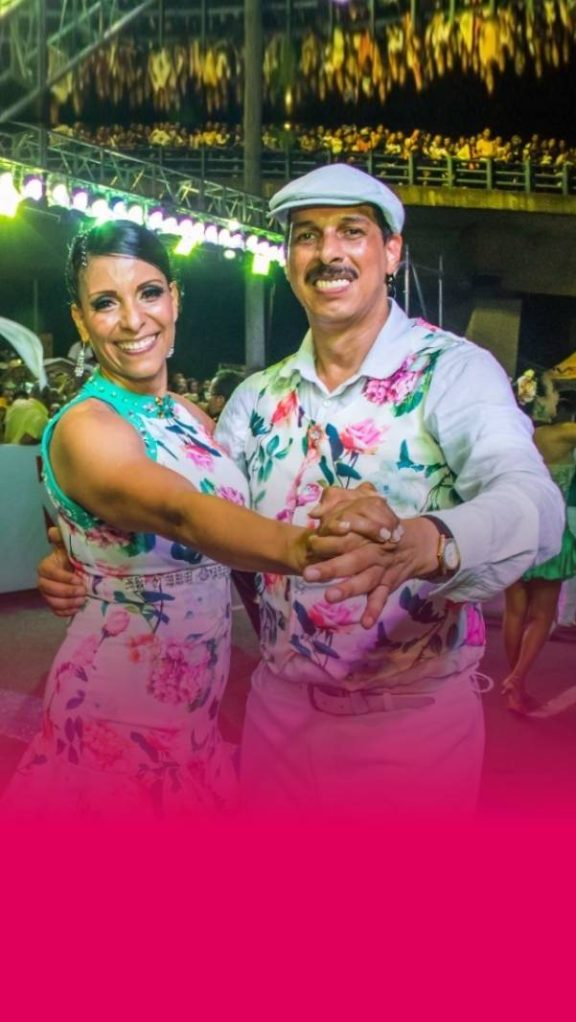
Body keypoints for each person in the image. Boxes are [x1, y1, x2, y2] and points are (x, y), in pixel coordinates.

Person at [38, 166, 564, 816]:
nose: (328, 252)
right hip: (274, 720)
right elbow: (199, 518)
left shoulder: (452, 373)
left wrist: (428, 543)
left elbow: (535, 505)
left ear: (392, 251)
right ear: (288, 261)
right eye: (307, 235)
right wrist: (84, 555)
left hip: (410, 726)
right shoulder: (254, 401)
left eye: (351, 231)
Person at [10, 219, 386, 817]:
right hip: (114, 715)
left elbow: (231, 521)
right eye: (105, 303)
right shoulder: (87, 426)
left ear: (175, 298)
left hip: (195, 719)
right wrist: (305, 549)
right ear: (80, 321)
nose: (133, 320)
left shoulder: (189, 416)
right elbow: (182, 512)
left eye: (148, 293)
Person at [501, 370, 576, 713]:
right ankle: (517, 679)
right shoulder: (562, 435)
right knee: (542, 614)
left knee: (515, 611)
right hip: (549, 531)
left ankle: (515, 684)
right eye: (554, 394)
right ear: (542, 401)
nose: (559, 399)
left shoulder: (511, 435)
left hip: (514, 528)